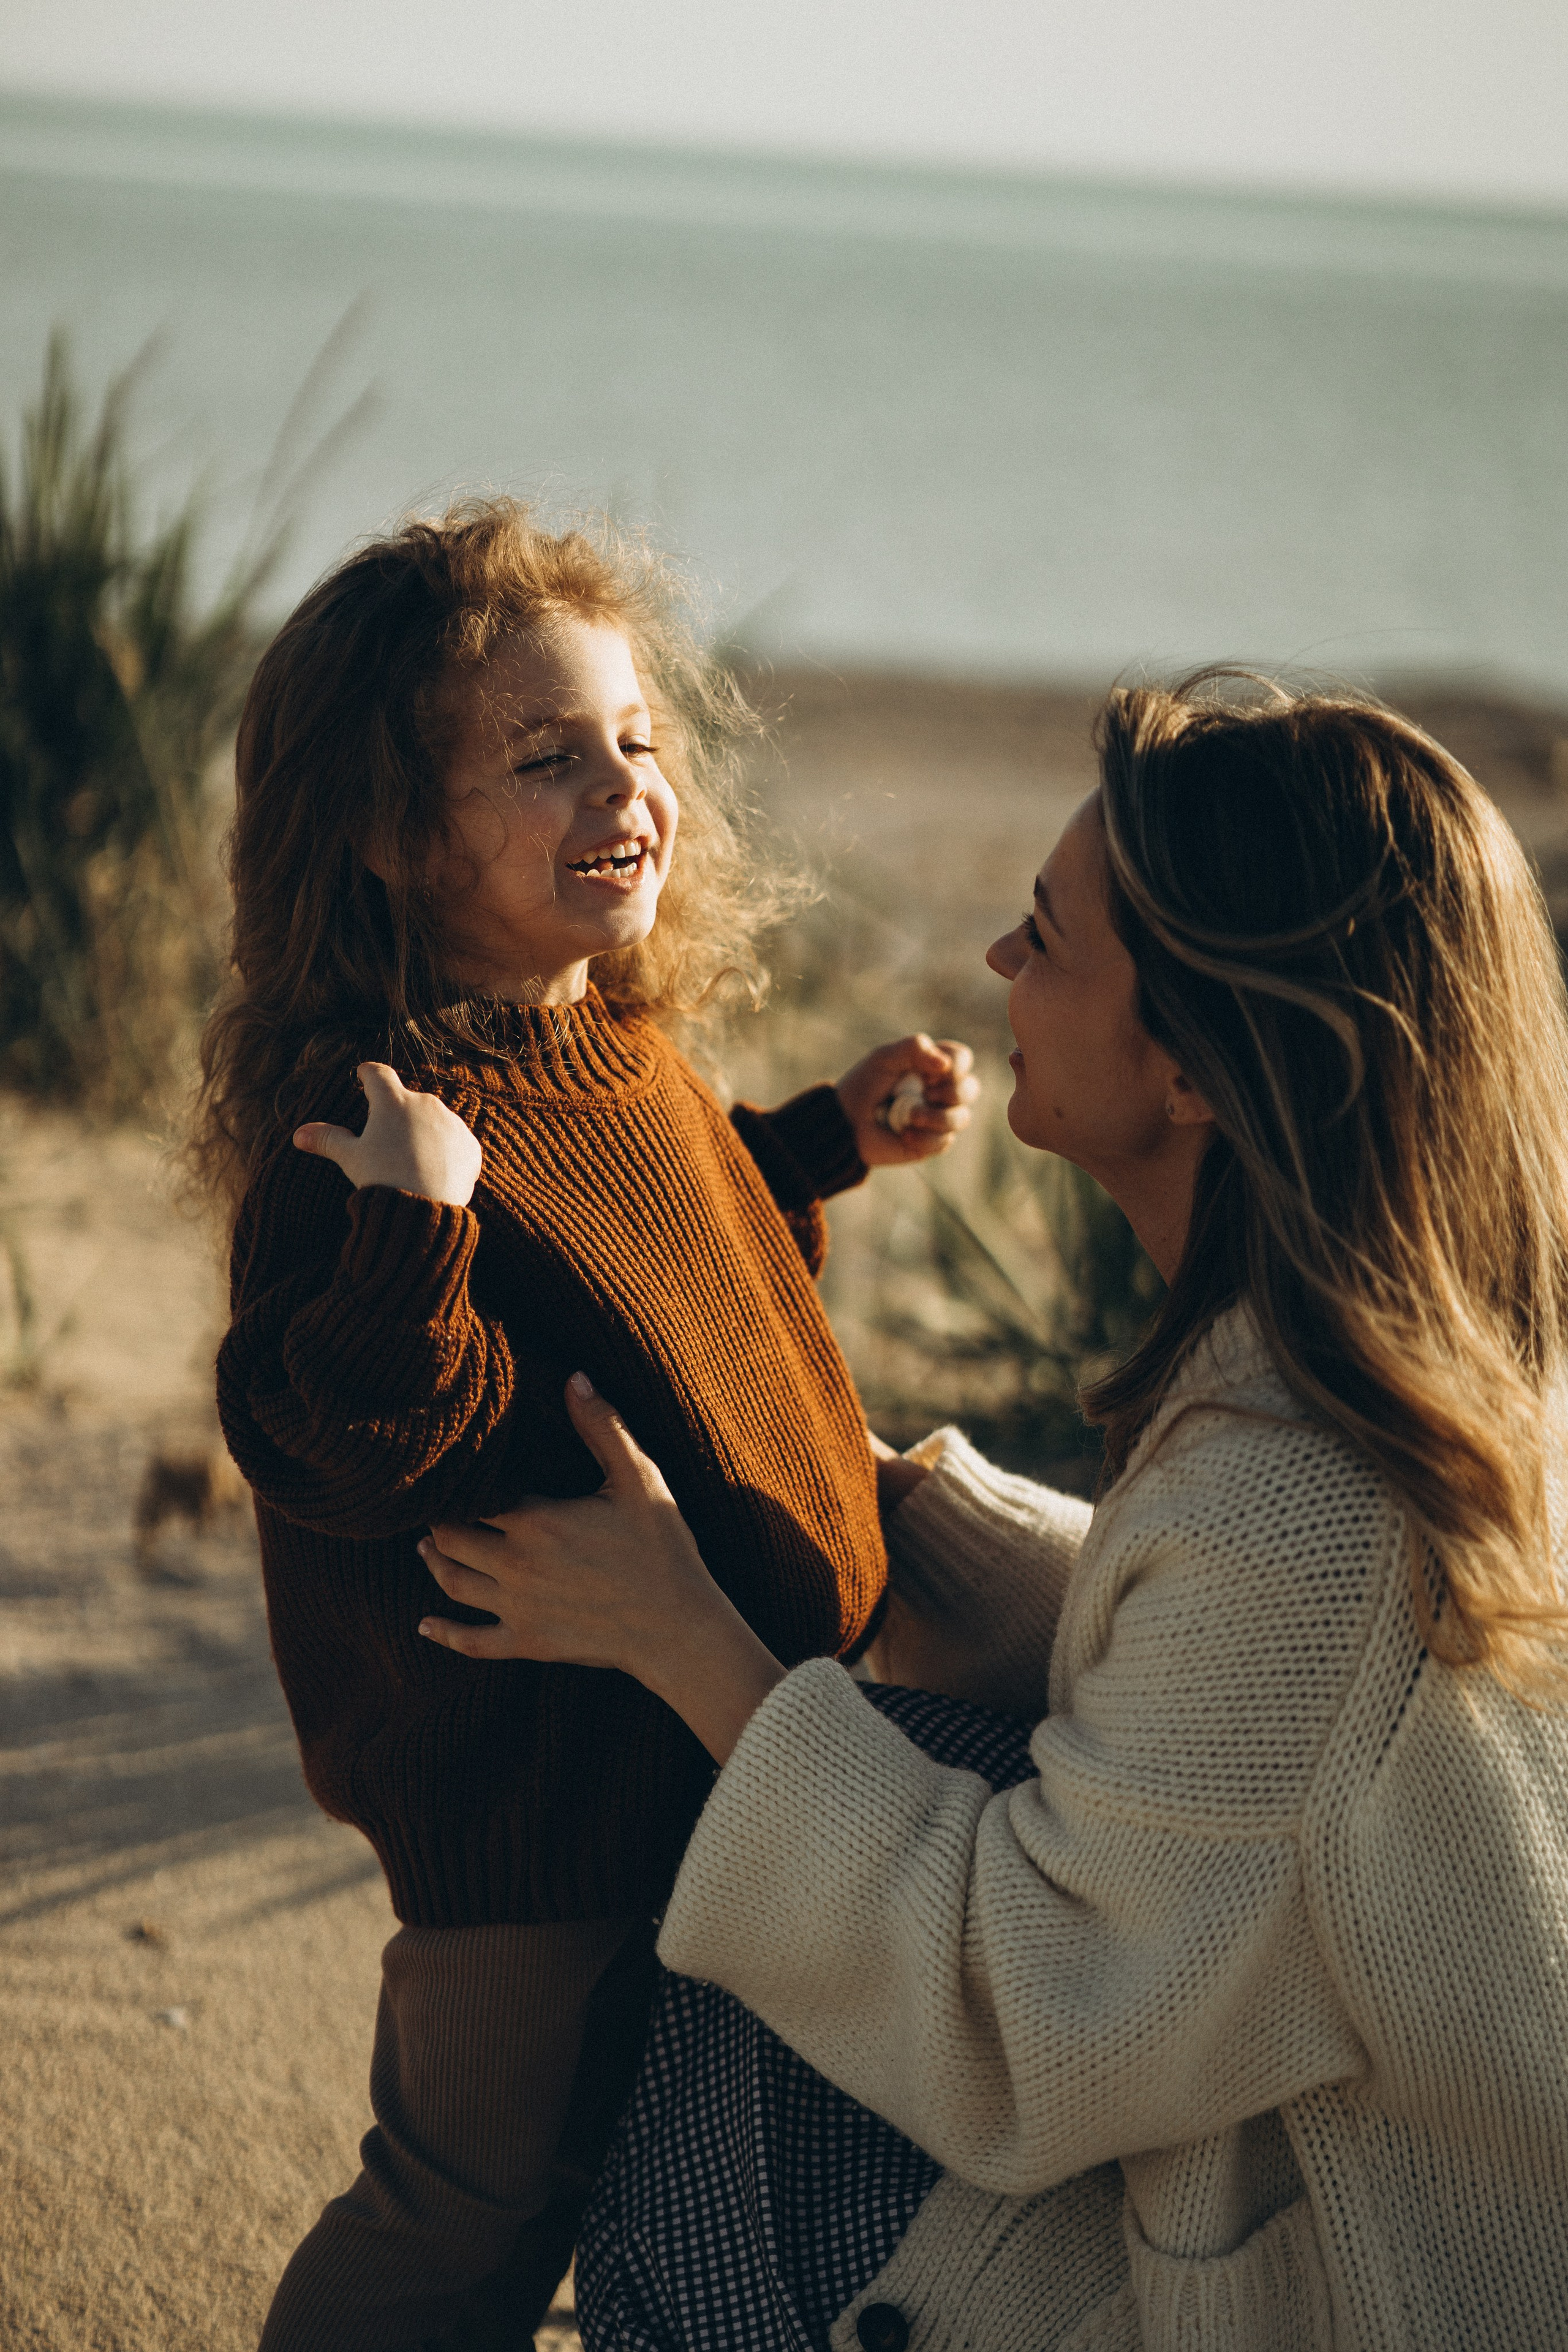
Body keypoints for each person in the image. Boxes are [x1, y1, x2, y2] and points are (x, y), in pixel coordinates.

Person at [417, 675, 1568, 2352]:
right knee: (871, 1798)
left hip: (1340, 2288)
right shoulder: (1420, 1382)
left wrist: (695, 1643)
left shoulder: (1298, 1509)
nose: (1000, 970)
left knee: (716, 2048)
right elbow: (1233, 1725)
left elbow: (1035, 2017)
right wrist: (869, 1504)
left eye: (1049, 936)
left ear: (1196, 1065)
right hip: (1319, 2167)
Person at [192, 497, 978, 2352]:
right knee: (464, 2211)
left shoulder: (612, 1047)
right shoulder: (374, 1128)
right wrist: (409, 1226)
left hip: (716, 1769)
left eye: (634, 741)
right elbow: (349, 1442)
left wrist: (816, 1145)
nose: (620, 789)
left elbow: (656, 1258)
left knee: (675, 2177)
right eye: (544, 761)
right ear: (391, 835)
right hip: (531, 1833)